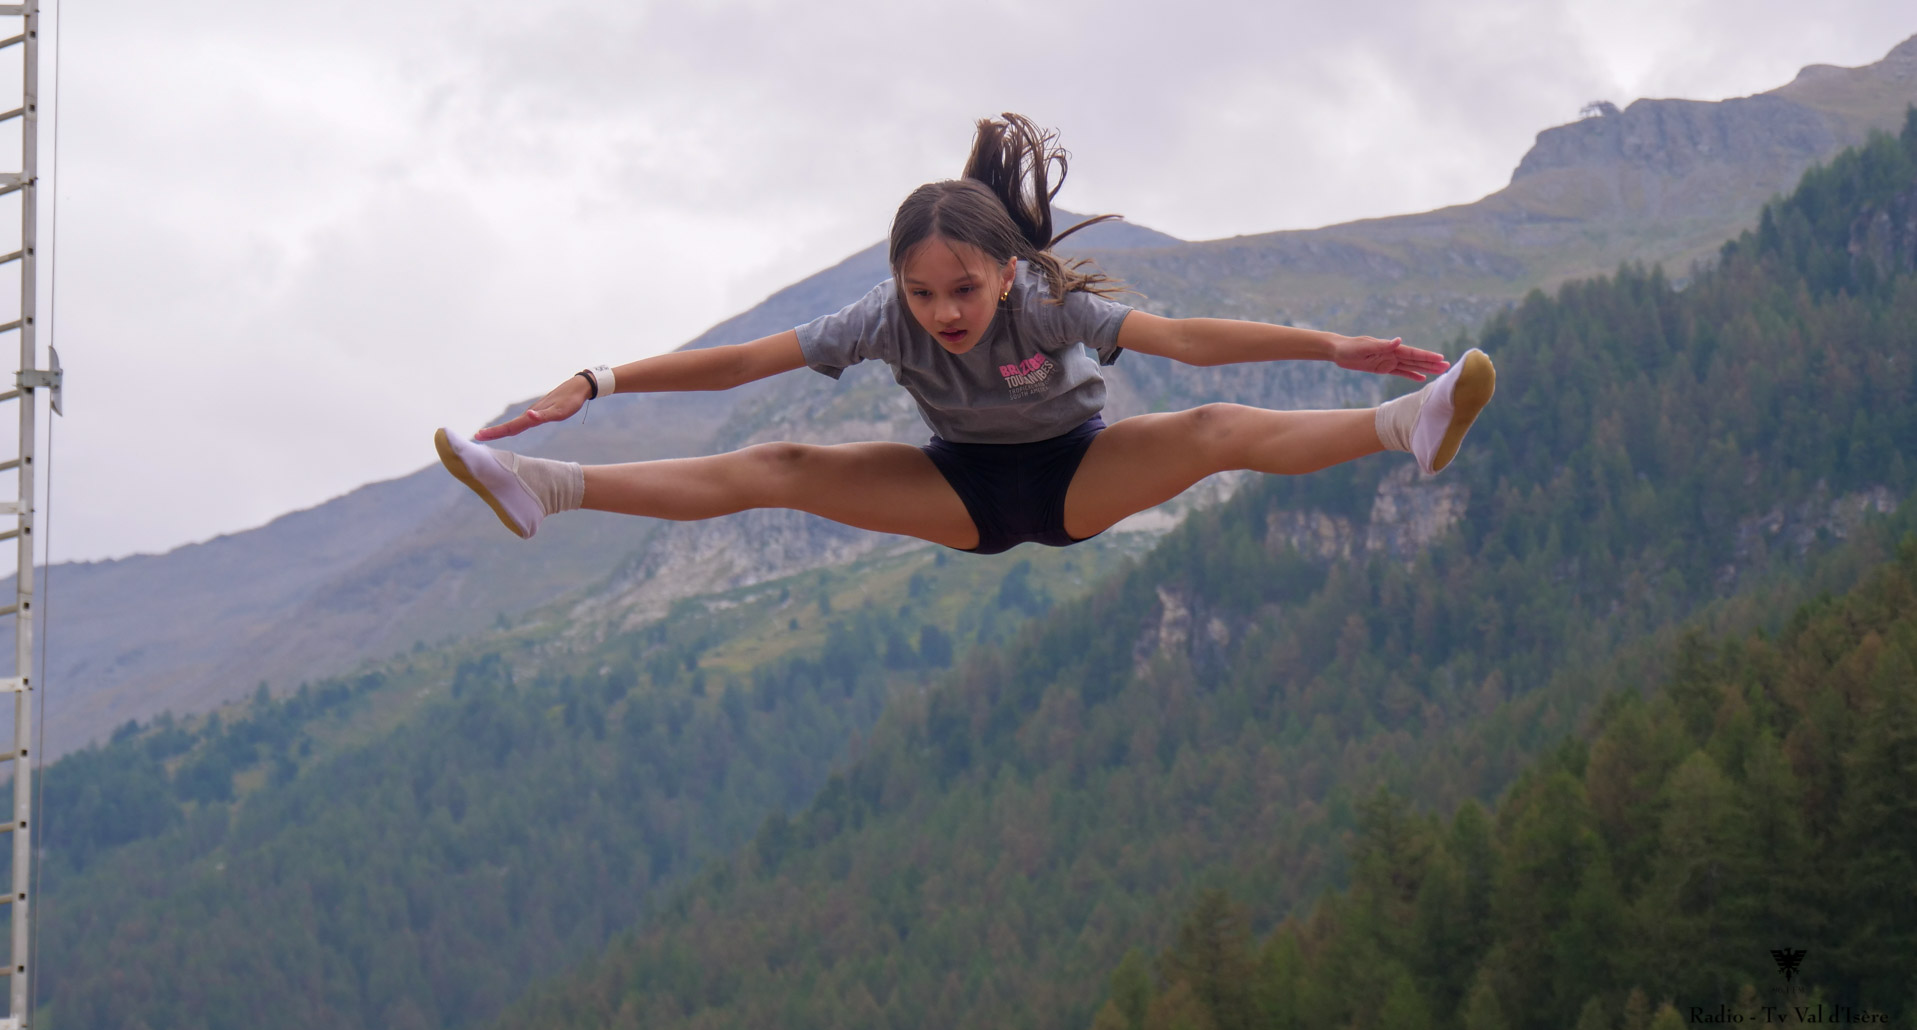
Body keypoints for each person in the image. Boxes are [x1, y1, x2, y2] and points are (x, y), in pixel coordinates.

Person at [435, 113, 1495, 554]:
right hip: (960, 490)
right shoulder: (882, 319)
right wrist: (598, 379)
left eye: (963, 291)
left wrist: (1331, 347)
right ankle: (547, 485)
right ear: (899, 284)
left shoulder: (1048, 304)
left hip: (1078, 473)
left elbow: (1183, 340)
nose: (943, 312)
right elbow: (743, 363)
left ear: (1005, 273)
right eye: (922, 292)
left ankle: (1406, 421)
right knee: (778, 464)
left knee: (1216, 426)